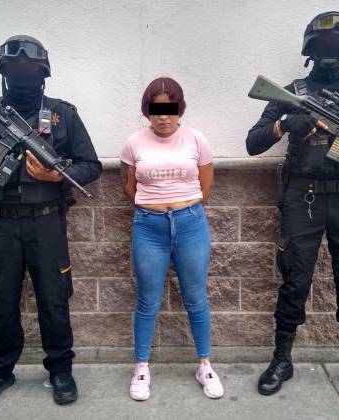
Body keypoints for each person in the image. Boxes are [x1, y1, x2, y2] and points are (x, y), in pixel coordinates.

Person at [246, 12, 339, 407]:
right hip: (303, 199)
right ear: (310, 49)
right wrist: (286, 124)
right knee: (294, 279)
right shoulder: (290, 93)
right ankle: (282, 360)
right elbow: (253, 143)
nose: (332, 51)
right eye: (324, 44)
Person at [0, 35, 102, 408]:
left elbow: (91, 165)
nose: (22, 76)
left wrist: (55, 176)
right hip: (0, 225)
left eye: (30, 70)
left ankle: (60, 370)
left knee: (54, 299)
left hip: (46, 223)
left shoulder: (63, 114)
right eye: (14, 69)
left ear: (43, 74)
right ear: (3, 73)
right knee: (2, 301)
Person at [119, 77, 224, 401]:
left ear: (180, 109)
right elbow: (128, 186)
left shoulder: (197, 139)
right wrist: (153, 206)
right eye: (156, 110)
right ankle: (141, 367)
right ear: (147, 111)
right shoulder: (133, 143)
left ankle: (205, 365)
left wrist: (182, 207)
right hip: (149, 228)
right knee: (147, 300)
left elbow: (206, 186)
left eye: (170, 109)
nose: (163, 117)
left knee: (196, 298)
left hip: (191, 225)